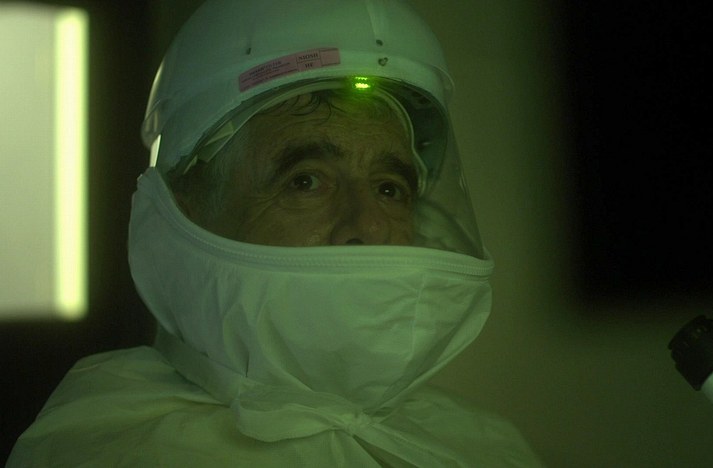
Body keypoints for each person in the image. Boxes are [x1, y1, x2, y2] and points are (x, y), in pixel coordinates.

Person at [8, 0, 542, 465]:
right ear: (185, 210)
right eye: (306, 181)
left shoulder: (482, 446)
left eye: (389, 188)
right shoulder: (108, 450)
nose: (369, 224)